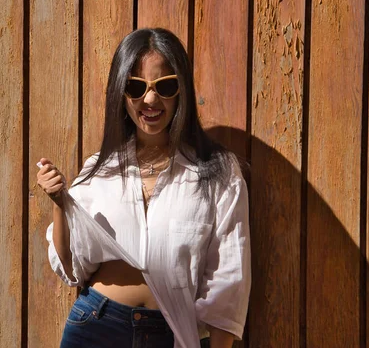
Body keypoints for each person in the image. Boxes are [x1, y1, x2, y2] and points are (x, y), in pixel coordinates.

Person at [37, 28, 250, 348]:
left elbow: (229, 280)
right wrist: (58, 203)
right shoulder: (100, 169)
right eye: (136, 87)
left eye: (164, 86)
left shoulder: (217, 171)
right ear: (121, 94)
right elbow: (71, 267)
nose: (150, 99)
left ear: (182, 91)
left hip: (169, 333)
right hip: (95, 325)